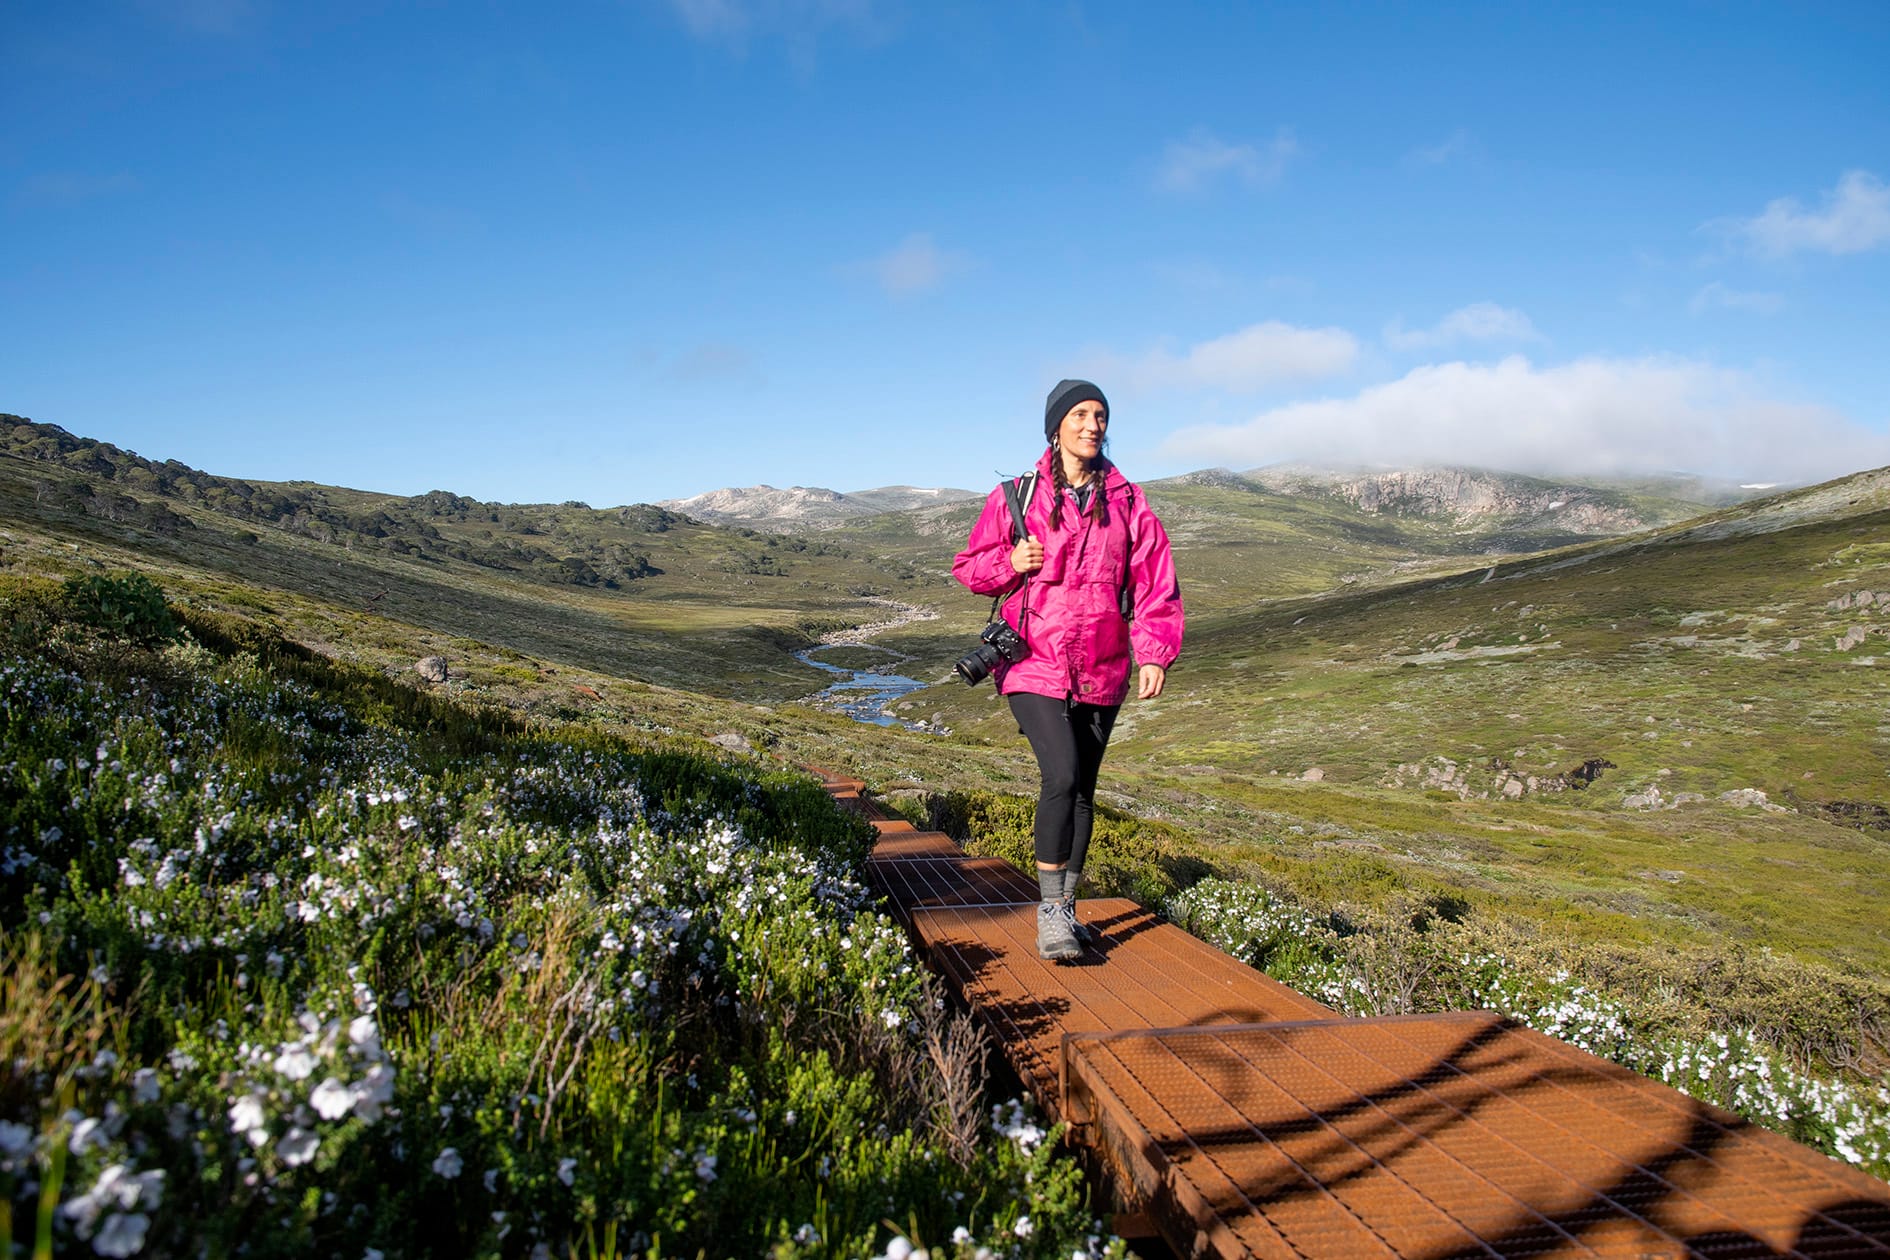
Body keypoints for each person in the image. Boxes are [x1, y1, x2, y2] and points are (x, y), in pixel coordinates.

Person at [951, 379, 1184, 961]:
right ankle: (1050, 914)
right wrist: (1009, 561)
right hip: (1034, 659)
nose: (1092, 425)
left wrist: (1154, 651)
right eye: (1079, 414)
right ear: (1056, 427)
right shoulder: (1018, 495)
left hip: (1102, 664)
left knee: (1083, 789)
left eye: (1100, 415)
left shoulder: (1128, 502)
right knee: (1061, 775)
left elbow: (1155, 582)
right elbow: (969, 566)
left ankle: (1067, 907)